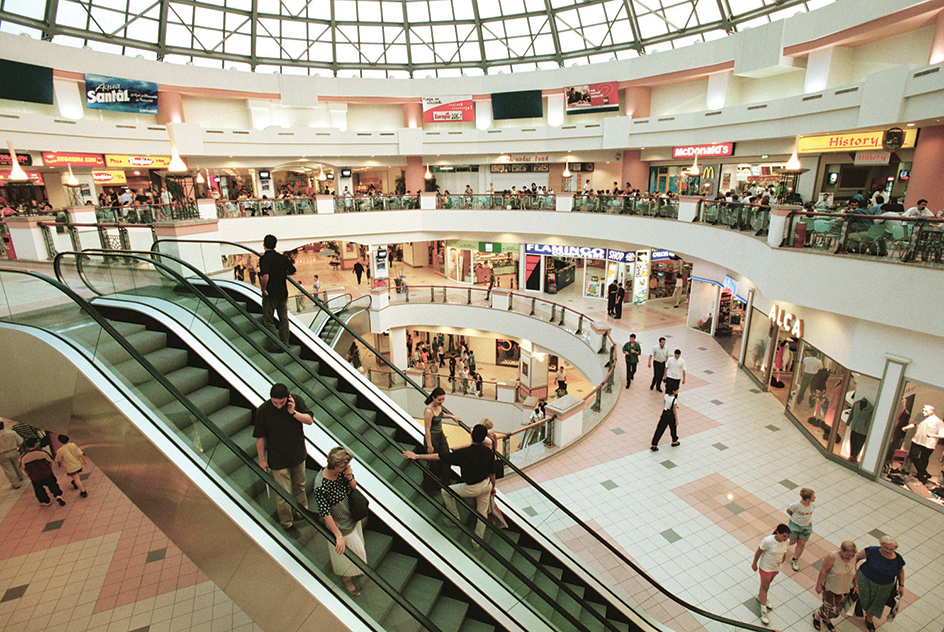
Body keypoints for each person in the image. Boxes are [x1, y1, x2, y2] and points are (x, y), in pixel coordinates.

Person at [403, 423, 495, 540]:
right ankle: (477, 541)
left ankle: (454, 519)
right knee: (482, 513)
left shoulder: (464, 453)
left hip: (471, 488)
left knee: (446, 492)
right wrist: (493, 487)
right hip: (486, 484)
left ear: (471, 435)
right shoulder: (488, 452)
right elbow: (492, 473)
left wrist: (416, 456)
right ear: (484, 438)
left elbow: (439, 457)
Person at [253, 383, 314, 530]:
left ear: (288, 398)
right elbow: (260, 437)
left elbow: (309, 420)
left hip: (297, 454)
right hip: (277, 458)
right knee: (283, 494)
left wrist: (293, 412)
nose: (279, 406)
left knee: (299, 485)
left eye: (282, 402)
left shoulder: (296, 401)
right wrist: (262, 459)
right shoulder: (263, 411)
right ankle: (287, 523)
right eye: (275, 402)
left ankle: (301, 512)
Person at [314, 447, 367, 596]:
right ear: (336, 466)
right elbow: (325, 513)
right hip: (341, 524)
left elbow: (353, 487)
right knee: (351, 553)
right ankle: (347, 579)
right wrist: (338, 535)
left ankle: (354, 571)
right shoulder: (321, 485)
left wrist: (350, 476)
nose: (348, 468)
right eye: (345, 466)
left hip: (351, 516)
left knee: (358, 548)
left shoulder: (342, 472)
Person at [855, 536, 905, 631]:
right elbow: (857, 557)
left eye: (891, 549)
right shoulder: (872, 551)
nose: (888, 550)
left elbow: (900, 572)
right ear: (881, 545)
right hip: (865, 580)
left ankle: (869, 619)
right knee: (862, 596)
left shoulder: (897, 558)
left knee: (878, 602)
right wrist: (853, 572)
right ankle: (859, 606)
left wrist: (901, 585)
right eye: (885, 547)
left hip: (885, 586)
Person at [259, 234, 296, 346]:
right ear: (275, 245)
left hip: (271, 293)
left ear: (264, 245)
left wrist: (263, 289)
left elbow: (265, 276)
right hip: (282, 292)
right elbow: (293, 270)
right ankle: (285, 342)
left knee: (268, 319)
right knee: (283, 319)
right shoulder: (282, 258)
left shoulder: (264, 259)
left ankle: (277, 344)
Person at [813, 541, 858, 632]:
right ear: (841, 550)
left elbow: (854, 571)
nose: (850, 558)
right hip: (830, 587)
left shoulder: (853, 558)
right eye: (848, 555)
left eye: (852, 555)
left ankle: (826, 618)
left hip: (844, 588)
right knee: (829, 608)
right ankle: (817, 616)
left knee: (837, 609)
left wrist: (856, 584)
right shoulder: (832, 557)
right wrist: (818, 585)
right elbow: (823, 570)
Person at [751, 524, 791, 625]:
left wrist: (781, 562)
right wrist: (754, 563)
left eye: (787, 536)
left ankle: (761, 597)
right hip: (766, 567)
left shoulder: (786, 541)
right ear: (778, 533)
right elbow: (759, 551)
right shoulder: (768, 541)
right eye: (784, 536)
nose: (786, 539)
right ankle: (763, 610)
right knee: (765, 586)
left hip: (775, 567)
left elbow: (784, 552)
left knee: (767, 585)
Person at [422, 387, 459, 491]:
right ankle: (432, 485)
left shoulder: (439, 407)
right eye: (439, 399)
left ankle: (444, 483)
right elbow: (427, 430)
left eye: (443, 399)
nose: (441, 402)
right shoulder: (429, 411)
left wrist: (452, 417)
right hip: (432, 438)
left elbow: (441, 415)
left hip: (440, 435)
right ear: (433, 398)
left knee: (447, 458)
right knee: (434, 462)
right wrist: (429, 445)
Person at [901, 404, 944, 484]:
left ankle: (921, 475)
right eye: (923, 410)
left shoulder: (938, 422)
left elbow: (942, 434)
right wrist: (906, 427)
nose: (923, 412)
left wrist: (932, 435)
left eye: (926, 411)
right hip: (917, 440)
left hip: (929, 443)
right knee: (913, 455)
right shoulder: (920, 416)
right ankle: (924, 473)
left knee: (924, 458)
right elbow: (915, 424)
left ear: (932, 412)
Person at [20, 438, 65, 507]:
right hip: (46, 473)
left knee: (39, 489)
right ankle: (57, 495)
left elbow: (22, 468)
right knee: (52, 484)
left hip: (35, 476)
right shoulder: (42, 453)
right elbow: (51, 461)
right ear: (36, 444)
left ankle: (46, 501)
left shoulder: (24, 457)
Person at [786, 487, 815, 570]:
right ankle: (780, 546)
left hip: (806, 526)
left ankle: (795, 559)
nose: (815, 498)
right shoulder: (797, 505)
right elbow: (788, 510)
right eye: (813, 496)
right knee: (791, 541)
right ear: (807, 499)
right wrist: (795, 518)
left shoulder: (812, 505)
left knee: (802, 544)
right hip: (795, 525)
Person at [650, 385, 680, 450]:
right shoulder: (674, 399)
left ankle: (654, 444)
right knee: (673, 428)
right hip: (671, 415)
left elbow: (666, 404)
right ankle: (674, 441)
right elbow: (674, 410)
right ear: (673, 391)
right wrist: (676, 419)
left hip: (664, 413)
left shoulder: (666, 396)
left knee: (660, 428)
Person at [0, 420, 25, 489]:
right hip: (13, 450)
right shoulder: (11, 433)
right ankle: (20, 476)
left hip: (2, 454)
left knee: (8, 469)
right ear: (3, 426)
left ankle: (16, 483)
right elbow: (20, 441)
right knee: (17, 464)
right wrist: (21, 449)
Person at [848, 397, 874, 462]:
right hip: (854, 426)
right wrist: (848, 422)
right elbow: (851, 413)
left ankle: (855, 456)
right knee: (852, 441)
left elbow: (870, 420)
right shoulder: (856, 404)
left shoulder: (870, 408)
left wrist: (867, 428)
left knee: (859, 444)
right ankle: (851, 455)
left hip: (863, 429)